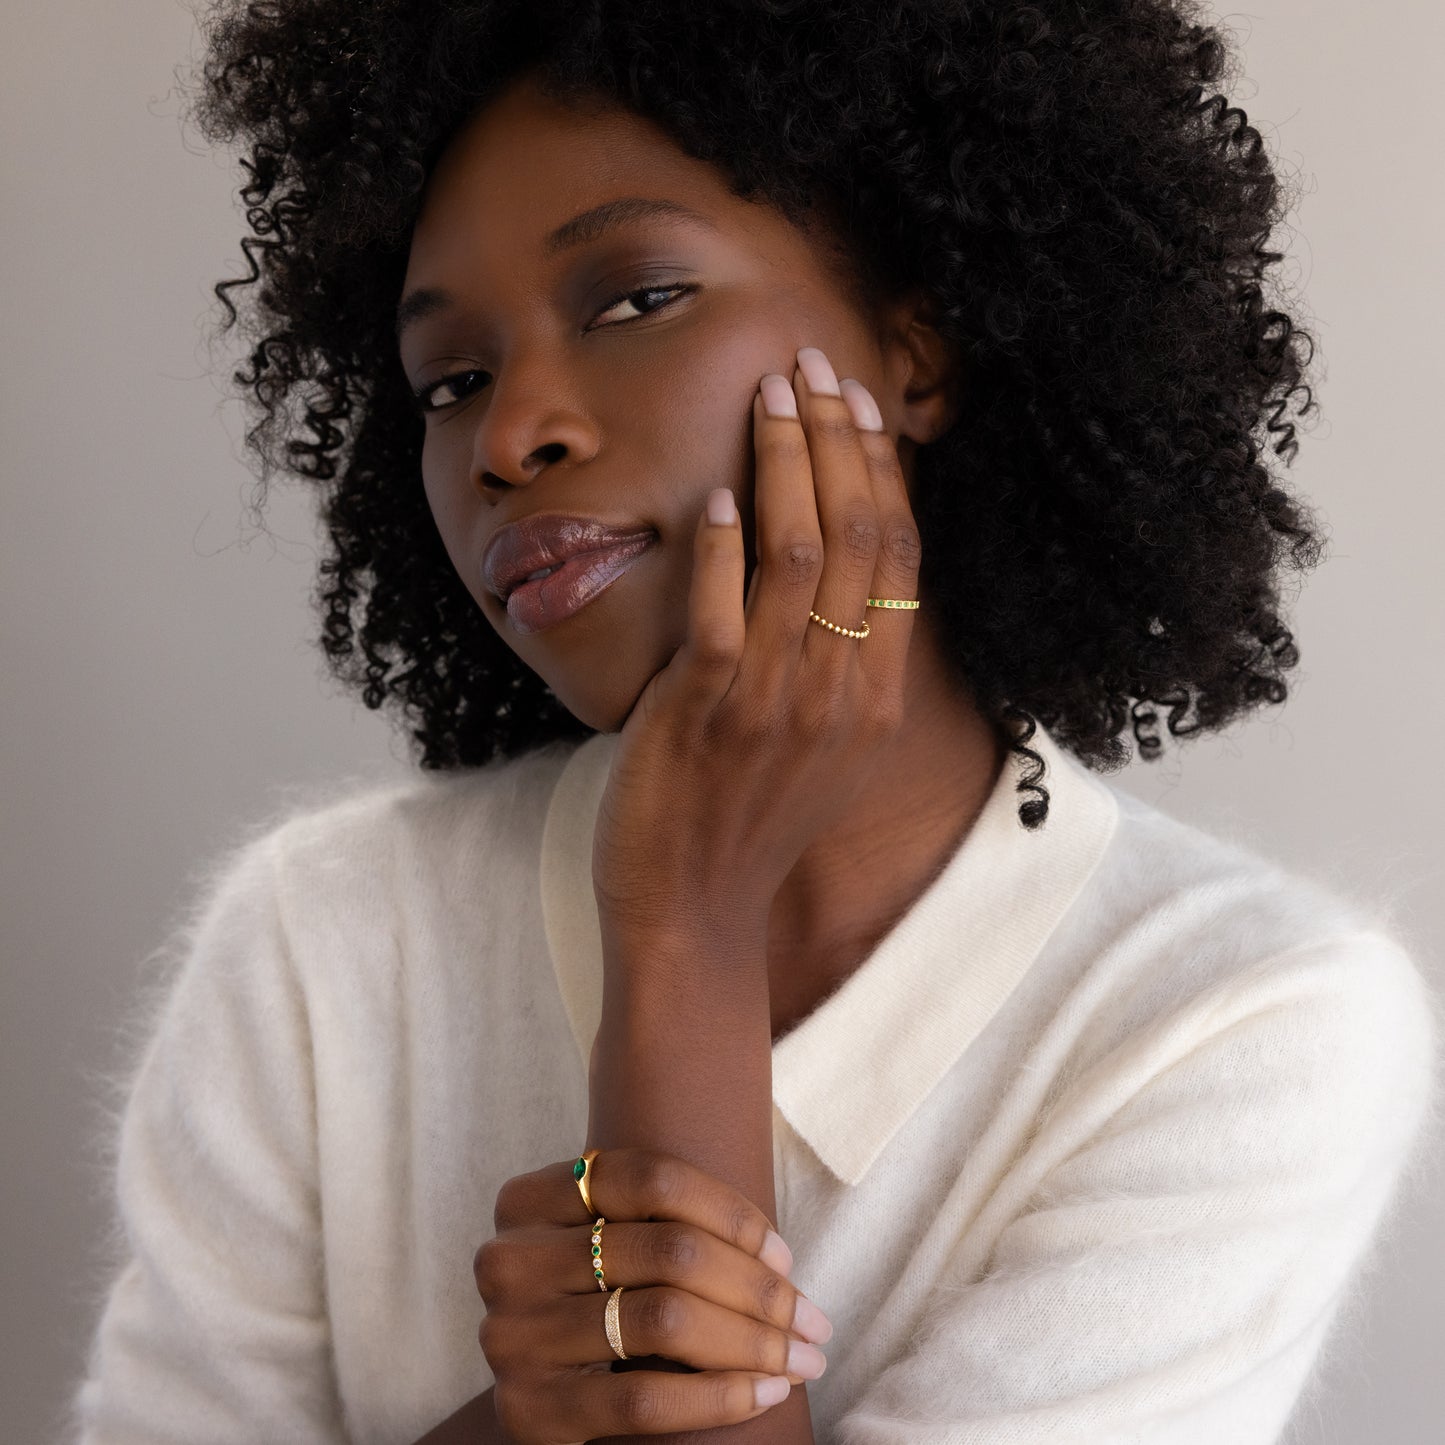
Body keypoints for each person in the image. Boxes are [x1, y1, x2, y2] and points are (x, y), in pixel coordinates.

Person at [68, 2, 1439, 1443]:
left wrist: (685, 926)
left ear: (918, 354)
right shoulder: (322, 937)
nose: (509, 437)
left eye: (635, 301)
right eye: (451, 383)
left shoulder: (1241, 1022)